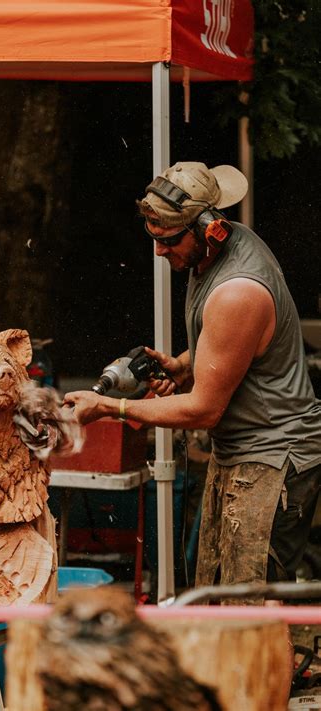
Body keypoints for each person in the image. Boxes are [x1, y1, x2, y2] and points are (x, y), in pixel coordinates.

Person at [64, 161, 321, 595]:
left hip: (275, 456)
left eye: (167, 241)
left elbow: (203, 408)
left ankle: (273, 665)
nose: (159, 252)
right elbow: (236, 347)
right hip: (240, 449)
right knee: (218, 595)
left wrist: (112, 407)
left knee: (251, 611)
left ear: (209, 227)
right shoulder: (210, 253)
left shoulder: (238, 291)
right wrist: (185, 366)